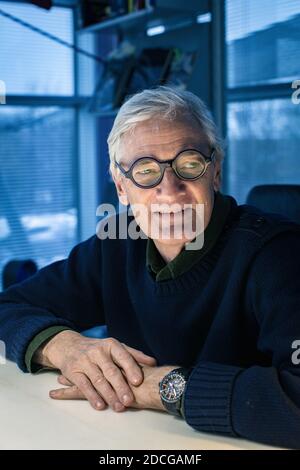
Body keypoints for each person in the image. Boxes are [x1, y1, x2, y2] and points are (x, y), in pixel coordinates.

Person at [1, 86, 300, 449]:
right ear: (122, 188)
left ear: (215, 171)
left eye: (189, 164)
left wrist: (160, 388)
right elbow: (8, 308)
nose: (170, 190)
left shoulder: (279, 255)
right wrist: (63, 346)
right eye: (145, 171)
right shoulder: (116, 241)